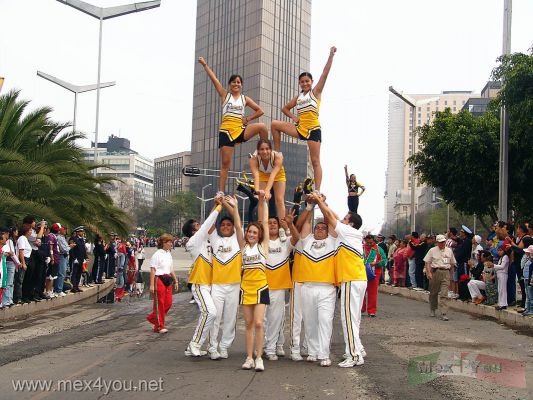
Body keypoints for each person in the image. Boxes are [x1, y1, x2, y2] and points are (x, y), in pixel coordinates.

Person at [197, 56, 268, 197]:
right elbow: (214, 79)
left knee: (262, 127)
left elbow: (260, 111)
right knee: (225, 163)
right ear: (230, 84)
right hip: (226, 132)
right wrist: (205, 65)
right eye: (234, 82)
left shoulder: (245, 99)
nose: (236, 84)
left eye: (239, 82)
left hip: (240, 129)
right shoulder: (225, 95)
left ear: (241, 85)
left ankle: (260, 152)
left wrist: (247, 119)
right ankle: (221, 192)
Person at [271, 46, 337, 193]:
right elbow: (285, 108)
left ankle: (318, 190)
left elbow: (325, 74)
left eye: (307, 81)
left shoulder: (316, 93)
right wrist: (294, 117)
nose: (305, 83)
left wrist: (331, 55)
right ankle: (277, 154)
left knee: (315, 161)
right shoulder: (298, 97)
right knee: (275, 124)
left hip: (313, 130)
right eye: (302, 82)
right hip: (300, 129)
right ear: (299, 83)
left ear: (311, 82)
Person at [314, 193, 367, 367]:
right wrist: (325, 202)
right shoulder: (352, 233)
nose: (341, 219)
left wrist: (320, 201)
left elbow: (330, 217)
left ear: (350, 223)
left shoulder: (347, 231)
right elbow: (334, 216)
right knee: (354, 318)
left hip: (350, 279)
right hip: (358, 279)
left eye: (345, 218)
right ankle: (357, 348)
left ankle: (354, 355)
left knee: (348, 319)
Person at [296, 193, 337, 367]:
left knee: (325, 321)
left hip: (326, 288)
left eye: (323, 228)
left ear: (327, 231)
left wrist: (322, 203)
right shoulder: (307, 240)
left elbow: (333, 220)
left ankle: (324, 353)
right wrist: (310, 205)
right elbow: (302, 223)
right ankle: (312, 351)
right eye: (317, 228)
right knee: (310, 321)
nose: (320, 230)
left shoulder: (333, 241)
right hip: (308, 287)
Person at [230, 192, 270, 371]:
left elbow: (265, 221)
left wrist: (263, 201)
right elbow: (238, 226)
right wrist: (235, 208)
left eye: (255, 232)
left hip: (261, 288)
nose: (251, 234)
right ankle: (248, 357)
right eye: (250, 231)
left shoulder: (263, 247)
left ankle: (259, 357)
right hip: (246, 288)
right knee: (247, 324)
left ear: (259, 235)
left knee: (259, 323)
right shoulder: (243, 247)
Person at [183, 200, 222, 358]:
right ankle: (195, 344)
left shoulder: (205, 239)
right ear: (193, 231)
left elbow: (209, 224)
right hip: (199, 284)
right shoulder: (193, 242)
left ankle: (192, 345)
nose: (201, 225)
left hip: (210, 284)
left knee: (210, 314)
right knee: (209, 313)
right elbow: (207, 224)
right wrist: (219, 207)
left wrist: (216, 203)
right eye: (198, 225)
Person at [208, 198, 243, 359]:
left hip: (234, 285)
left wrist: (232, 207)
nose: (226, 227)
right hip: (217, 285)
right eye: (223, 225)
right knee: (214, 316)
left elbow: (237, 223)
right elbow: (209, 224)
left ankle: (224, 346)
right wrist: (217, 205)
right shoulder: (215, 239)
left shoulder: (237, 239)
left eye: (228, 225)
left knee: (230, 318)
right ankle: (213, 346)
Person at [264, 209, 299, 361]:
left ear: (278, 226)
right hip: (261, 286)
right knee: (262, 320)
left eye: (274, 223)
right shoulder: (261, 241)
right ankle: (265, 345)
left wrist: (290, 225)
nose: (272, 225)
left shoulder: (285, 242)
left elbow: (296, 238)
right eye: (269, 223)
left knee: (276, 318)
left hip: (278, 287)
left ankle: (271, 348)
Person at [146, 234, 179, 333]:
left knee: (168, 303)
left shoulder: (168, 253)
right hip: (158, 279)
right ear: (163, 243)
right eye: (169, 242)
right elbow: (153, 269)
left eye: (171, 241)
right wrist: (151, 285)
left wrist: (175, 280)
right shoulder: (157, 254)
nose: (171, 243)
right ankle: (159, 326)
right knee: (159, 303)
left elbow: (171, 269)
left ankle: (153, 318)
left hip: (167, 279)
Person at [249, 139, 287, 222]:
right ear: (258, 151)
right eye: (262, 149)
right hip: (262, 174)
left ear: (271, 149)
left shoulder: (278, 157)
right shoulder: (253, 160)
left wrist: (267, 190)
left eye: (267, 149)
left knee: (279, 199)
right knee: (262, 199)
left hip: (277, 174)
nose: (265, 152)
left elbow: (273, 175)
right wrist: (257, 191)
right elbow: (256, 176)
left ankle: (283, 227)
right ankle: (261, 225)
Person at [424, 234, 456, 321]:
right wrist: (429, 273)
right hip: (435, 272)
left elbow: (452, 263)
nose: (442, 243)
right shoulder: (432, 250)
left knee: (444, 294)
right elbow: (427, 262)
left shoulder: (449, 251)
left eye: (443, 242)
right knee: (433, 293)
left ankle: (444, 313)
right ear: (437, 242)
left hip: (446, 272)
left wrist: (451, 275)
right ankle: (433, 308)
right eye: (440, 242)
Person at [361, 235, 384, 317]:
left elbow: (384, 260)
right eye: (367, 243)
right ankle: (361, 309)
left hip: (374, 274)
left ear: (374, 241)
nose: (369, 244)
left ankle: (371, 311)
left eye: (371, 242)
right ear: (365, 241)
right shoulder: (360, 248)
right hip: (361, 273)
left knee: (372, 293)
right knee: (361, 292)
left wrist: (376, 263)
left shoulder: (378, 249)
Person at [1, 227, 18, 307]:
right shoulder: (8, 242)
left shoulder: (9, 242)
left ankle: (7, 300)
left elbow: (11, 253)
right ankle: (5, 300)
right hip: (6, 264)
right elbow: (11, 254)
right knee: (5, 283)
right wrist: (18, 263)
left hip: (4, 265)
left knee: (6, 283)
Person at [494, 242, 511, 310]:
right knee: (500, 289)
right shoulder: (501, 258)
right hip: (499, 274)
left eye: (500, 250)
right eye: (498, 250)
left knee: (503, 290)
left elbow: (502, 266)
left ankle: (503, 304)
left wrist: (493, 265)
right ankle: (500, 303)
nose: (499, 252)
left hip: (503, 274)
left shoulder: (505, 257)